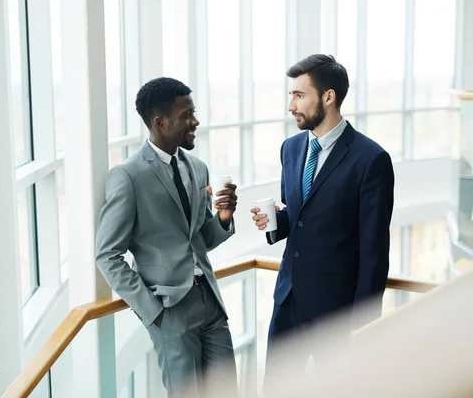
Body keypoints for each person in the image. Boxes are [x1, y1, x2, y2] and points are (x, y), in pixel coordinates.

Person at [250, 54, 395, 388]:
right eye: (290, 95)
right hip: (288, 301)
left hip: (337, 314)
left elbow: (374, 252)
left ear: (328, 97)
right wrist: (273, 222)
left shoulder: (371, 160)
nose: (291, 105)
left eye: (299, 95)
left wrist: (364, 324)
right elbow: (299, 217)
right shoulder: (290, 148)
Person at [95, 77, 239, 398]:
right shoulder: (128, 176)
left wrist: (224, 219)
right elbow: (107, 255)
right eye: (186, 114)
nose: (195, 121)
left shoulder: (197, 168)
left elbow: (199, 239)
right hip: (170, 310)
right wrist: (154, 314)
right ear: (160, 122)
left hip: (210, 302)